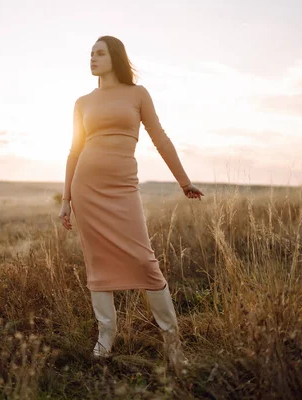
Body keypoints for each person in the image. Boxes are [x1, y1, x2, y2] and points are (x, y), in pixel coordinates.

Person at [58, 35, 204, 372]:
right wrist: (66, 199)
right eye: (90, 53)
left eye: (100, 53)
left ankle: (172, 343)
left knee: (144, 261)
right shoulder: (82, 102)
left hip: (123, 187)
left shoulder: (138, 94)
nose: (92, 58)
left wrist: (184, 181)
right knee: (97, 262)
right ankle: (106, 335)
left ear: (116, 58)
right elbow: (73, 151)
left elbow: (160, 137)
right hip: (87, 188)